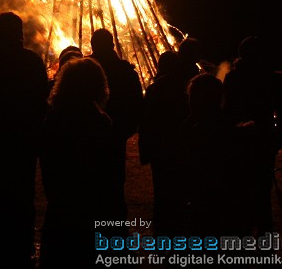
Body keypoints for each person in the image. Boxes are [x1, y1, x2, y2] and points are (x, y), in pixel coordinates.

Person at [0, 12, 49, 269]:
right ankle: (23, 245)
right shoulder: (31, 61)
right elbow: (42, 97)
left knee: (2, 192)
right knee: (23, 192)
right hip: (24, 139)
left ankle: (4, 248)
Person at [38, 57, 118, 269]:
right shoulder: (100, 122)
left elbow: (48, 162)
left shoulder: (54, 119)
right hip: (91, 208)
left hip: (61, 206)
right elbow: (109, 172)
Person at [222, 36, 282, 236]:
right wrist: (275, 141)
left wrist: (274, 142)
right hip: (255, 144)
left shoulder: (236, 78)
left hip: (247, 145)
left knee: (246, 198)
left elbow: (226, 113)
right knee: (260, 199)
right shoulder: (268, 78)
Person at [182, 73, 254, 239]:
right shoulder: (234, 131)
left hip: (210, 214)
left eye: (192, 98)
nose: (190, 104)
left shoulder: (202, 134)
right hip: (231, 216)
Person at [87, 28, 144, 232]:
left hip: (91, 138)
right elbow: (137, 105)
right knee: (113, 188)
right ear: (111, 45)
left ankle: (95, 233)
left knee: (91, 188)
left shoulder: (86, 69)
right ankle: (114, 233)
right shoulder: (124, 70)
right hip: (114, 137)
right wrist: (123, 131)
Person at [138, 50, 191, 235]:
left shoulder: (155, 89)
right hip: (179, 147)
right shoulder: (185, 88)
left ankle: (163, 232)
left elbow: (146, 121)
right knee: (180, 190)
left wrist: (146, 149)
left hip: (161, 149)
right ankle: (179, 230)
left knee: (162, 192)